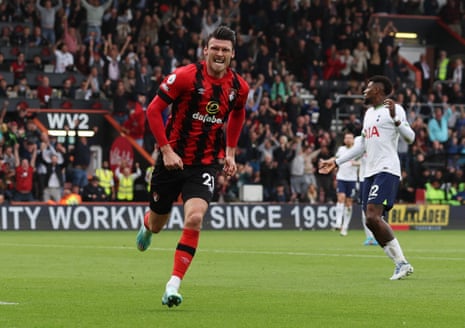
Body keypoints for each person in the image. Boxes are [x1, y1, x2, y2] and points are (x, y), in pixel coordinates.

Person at [136, 26, 248, 307]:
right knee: (159, 223)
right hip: (171, 161)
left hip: (205, 164)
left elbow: (238, 114)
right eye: (215, 48)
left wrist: (230, 153)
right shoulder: (185, 77)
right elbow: (152, 110)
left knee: (195, 217)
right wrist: (165, 150)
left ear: (233, 54)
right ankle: (148, 225)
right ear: (205, 50)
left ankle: (173, 285)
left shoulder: (238, 87)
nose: (220, 54)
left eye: (225, 50)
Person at [319, 75, 415, 280]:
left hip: (387, 169)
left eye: (368, 88)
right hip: (369, 173)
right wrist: (336, 162)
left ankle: (403, 263)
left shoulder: (395, 109)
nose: (364, 91)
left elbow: (410, 137)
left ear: (378, 91)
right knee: (371, 221)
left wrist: (396, 119)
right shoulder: (369, 114)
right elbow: (361, 146)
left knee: (372, 216)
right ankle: (400, 263)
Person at [333, 131, 359, 236]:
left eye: (350, 138)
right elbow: (336, 160)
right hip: (341, 178)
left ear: (353, 140)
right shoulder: (341, 150)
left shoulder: (357, 151)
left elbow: (364, 162)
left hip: (352, 179)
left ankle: (345, 227)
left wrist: (355, 163)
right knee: (341, 198)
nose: (348, 140)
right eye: (346, 138)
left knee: (348, 203)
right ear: (344, 140)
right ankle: (338, 222)